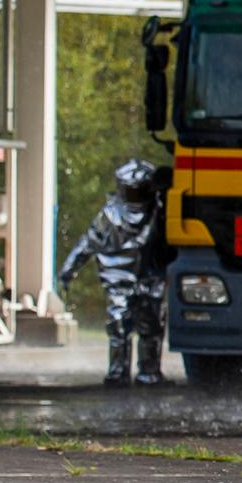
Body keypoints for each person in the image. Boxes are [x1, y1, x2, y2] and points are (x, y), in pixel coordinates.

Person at [59, 158, 168, 387]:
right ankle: (118, 371)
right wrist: (68, 271)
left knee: (152, 326)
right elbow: (87, 244)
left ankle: (149, 371)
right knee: (119, 327)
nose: (137, 196)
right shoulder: (110, 215)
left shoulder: (160, 211)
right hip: (119, 281)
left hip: (150, 280)